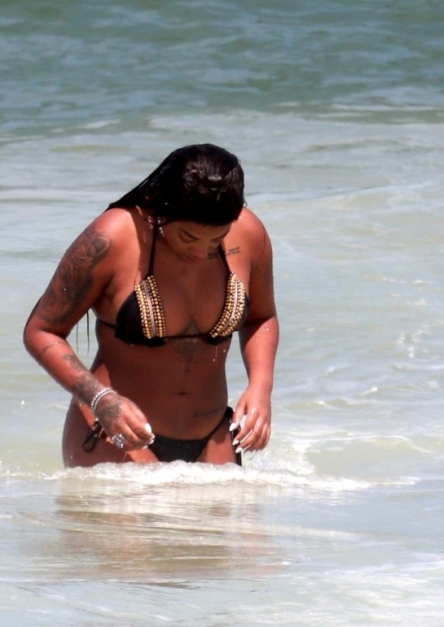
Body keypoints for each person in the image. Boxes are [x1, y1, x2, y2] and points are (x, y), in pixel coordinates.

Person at [23, 144, 278, 466]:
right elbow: (42, 331)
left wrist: (260, 388)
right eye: (188, 237)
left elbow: (261, 317)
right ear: (162, 209)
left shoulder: (248, 233)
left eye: (216, 240)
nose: (201, 252)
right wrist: (101, 400)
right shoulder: (113, 236)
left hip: (214, 435)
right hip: (114, 434)